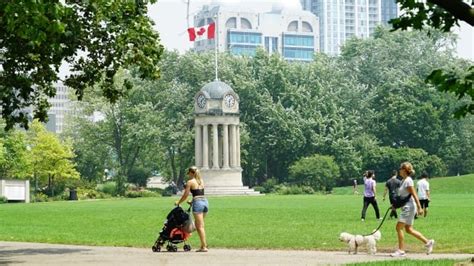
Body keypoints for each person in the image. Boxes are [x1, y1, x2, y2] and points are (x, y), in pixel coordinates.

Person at [391, 162, 434, 257]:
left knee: (398, 227)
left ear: (404, 170)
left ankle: (401, 250)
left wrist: (419, 207)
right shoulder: (404, 180)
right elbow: (403, 196)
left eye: (400, 168)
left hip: (409, 207)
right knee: (409, 229)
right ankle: (428, 242)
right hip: (407, 206)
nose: (399, 170)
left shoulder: (408, 181)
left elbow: (414, 194)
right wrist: (395, 205)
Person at [175, 166, 209, 252]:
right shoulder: (201, 181)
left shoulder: (190, 182)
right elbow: (199, 193)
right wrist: (192, 201)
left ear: (191, 173)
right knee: (199, 225)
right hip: (205, 202)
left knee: (200, 226)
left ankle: (204, 246)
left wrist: (179, 202)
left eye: (189, 173)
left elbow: (185, 195)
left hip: (198, 203)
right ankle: (203, 245)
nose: (188, 175)